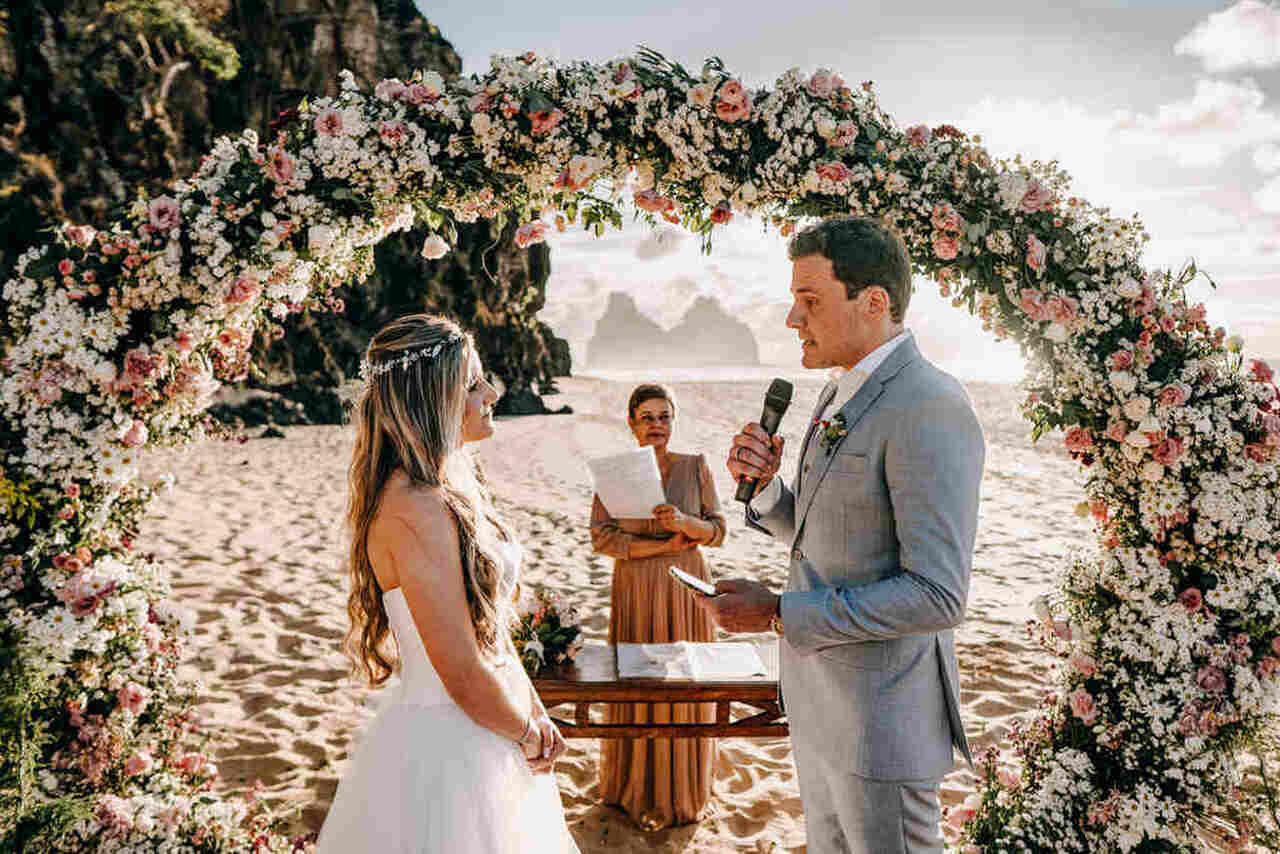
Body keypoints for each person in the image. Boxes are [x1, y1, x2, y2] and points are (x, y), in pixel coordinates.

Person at [698, 217, 985, 854]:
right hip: (818, 707)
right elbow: (827, 532)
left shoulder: (928, 404)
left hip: (881, 726)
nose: (792, 320)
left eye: (811, 301)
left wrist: (777, 612)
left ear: (873, 303)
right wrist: (768, 490)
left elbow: (937, 596)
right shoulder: (837, 393)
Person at [316, 314, 579, 854]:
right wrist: (525, 734)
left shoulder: (447, 490)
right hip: (455, 744)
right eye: (474, 383)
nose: (492, 392)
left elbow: (490, 629)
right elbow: (458, 667)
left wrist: (532, 708)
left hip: (495, 717)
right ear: (435, 398)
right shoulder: (415, 509)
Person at [590, 384, 726, 829]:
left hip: (687, 588)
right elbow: (602, 537)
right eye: (647, 417)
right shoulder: (614, 473)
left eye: (664, 417)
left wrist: (685, 523)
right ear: (631, 423)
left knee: (685, 684)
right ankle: (635, 786)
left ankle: (685, 790)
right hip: (636, 587)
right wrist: (660, 546)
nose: (657, 426)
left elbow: (719, 530)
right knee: (638, 681)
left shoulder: (695, 466)